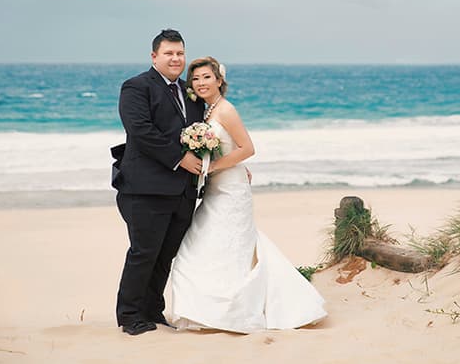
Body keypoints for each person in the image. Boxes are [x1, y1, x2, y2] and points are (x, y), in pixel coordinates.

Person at [169, 57, 327, 332]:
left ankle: (234, 313)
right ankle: (212, 313)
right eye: (195, 79)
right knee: (205, 250)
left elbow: (247, 148)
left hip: (230, 189)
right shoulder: (207, 112)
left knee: (227, 250)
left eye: (207, 77)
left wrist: (214, 167)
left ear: (219, 80)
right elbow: (230, 148)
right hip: (217, 189)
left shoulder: (226, 110)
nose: (201, 83)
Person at [112, 29, 205, 335]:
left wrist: (218, 164)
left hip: (182, 191)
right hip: (145, 189)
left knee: (166, 255)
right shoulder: (136, 87)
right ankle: (129, 315)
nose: (176, 59)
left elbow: (203, 135)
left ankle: (153, 310)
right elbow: (141, 130)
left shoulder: (191, 94)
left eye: (180, 53)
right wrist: (179, 159)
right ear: (154, 56)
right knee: (143, 253)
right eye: (169, 53)